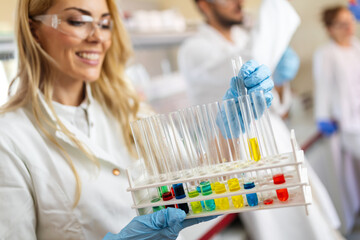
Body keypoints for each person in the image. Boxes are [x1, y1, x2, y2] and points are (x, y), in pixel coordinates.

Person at [0, 0, 273, 239]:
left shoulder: (131, 108)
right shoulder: (10, 139)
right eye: (77, 21)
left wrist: (229, 131)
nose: (98, 37)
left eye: (105, 24)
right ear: (34, 29)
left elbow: (196, 180)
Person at [178, 0, 343, 239]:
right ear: (204, 5)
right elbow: (250, 60)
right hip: (245, 160)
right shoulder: (194, 49)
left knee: (318, 224)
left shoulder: (243, 37)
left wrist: (280, 79)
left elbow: (278, 107)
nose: (239, 2)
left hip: (279, 146)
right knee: (290, 229)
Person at [313, 5, 360, 234]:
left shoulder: (357, 47)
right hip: (346, 126)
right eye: (342, 24)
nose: (349, 28)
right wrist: (322, 116)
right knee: (346, 179)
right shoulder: (326, 54)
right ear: (330, 29)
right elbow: (323, 86)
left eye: (350, 21)